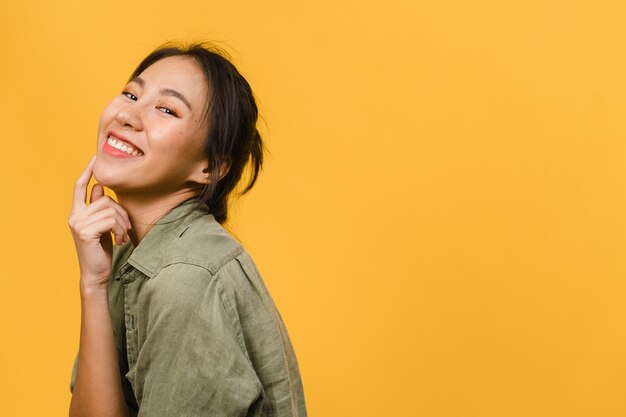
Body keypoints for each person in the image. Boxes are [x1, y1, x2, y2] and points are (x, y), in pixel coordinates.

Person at [67, 42, 308, 417]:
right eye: (131, 93)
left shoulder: (186, 279)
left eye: (167, 109)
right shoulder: (132, 254)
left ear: (211, 167)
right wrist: (93, 284)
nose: (128, 115)